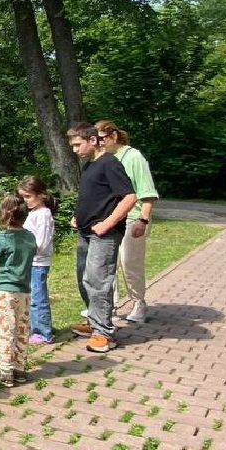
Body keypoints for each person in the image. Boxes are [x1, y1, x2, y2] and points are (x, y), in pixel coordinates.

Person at [66, 123, 136, 354]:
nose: (75, 150)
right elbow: (92, 196)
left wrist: (107, 223)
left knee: (98, 281)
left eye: (78, 144)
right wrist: (78, 215)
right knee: (84, 279)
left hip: (103, 235)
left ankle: (104, 334)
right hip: (86, 231)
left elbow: (129, 197)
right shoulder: (89, 166)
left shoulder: (110, 163)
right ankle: (94, 323)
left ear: (93, 140)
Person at [94, 120, 159, 324]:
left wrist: (143, 219)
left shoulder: (133, 157)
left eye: (102, 138)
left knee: (129, 263)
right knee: (105, 264)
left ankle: (138, 303)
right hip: (109, 219)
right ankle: (108, 306)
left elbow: (147, 192)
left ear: (113, 135)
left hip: (132, 218)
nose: (99, 143)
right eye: (96, 139)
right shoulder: (103, 158)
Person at [0, 194, 36, 386]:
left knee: (6, 330)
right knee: (22, 329)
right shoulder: (30, 237)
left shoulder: (1, 238)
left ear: (3, 215)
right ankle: (20, 368)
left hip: (4, 290)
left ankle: (5, 371)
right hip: (24, 290)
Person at [16, 176, 56, 344]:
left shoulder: (44, 215)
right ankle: (35, 328)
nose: (25, 201)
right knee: (31, 297)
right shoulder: (34, 213)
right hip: (30, 262)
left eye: (28, 196)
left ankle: (44, 332)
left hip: (38, 263)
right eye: (23, 197)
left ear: (41, 195)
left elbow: (42, 243)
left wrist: (25, 246)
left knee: (38, 299)